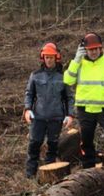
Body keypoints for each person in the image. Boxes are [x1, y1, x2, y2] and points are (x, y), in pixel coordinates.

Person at [64, 32, 104, 181]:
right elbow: (67, 80)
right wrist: (75, 60)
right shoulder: (78, 63)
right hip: (85, 109)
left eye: (96, 49)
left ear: (101, 48)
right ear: (84, 49)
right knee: (86, 141)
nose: (93, 52)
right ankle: (88, 172)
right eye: (90, 49)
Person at [23, 42, 74, 177]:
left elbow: (69, 97)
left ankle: (50, 174)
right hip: (38, 117)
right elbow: (29, 94)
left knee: (53, 146)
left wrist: (70, 114)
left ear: (56, 58)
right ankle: (30, 174)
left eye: (51, 57)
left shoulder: (63, 77)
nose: (49, 60)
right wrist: (27, 109)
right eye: (46, 57)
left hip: (56, 117)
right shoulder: (35, 75)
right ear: (43, 58)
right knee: (34, 145)